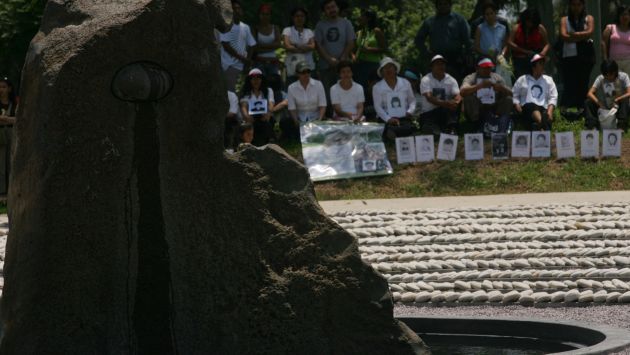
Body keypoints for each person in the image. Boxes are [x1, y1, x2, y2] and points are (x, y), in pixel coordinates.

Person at [415, 0, 471, 83]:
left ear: (450, 5)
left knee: (454, 86)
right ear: (436, 6)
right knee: (436, 85)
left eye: (445, 3)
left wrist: (467, 55)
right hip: (436, 59)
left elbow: (467, 40)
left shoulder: (459, 20)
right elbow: (418, 39)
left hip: (455, 59)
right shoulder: (430, 21)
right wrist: (426, 53)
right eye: (440, 4)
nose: (443, 6)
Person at [315, 0, 356, 114]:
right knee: (327, 95)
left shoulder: (346, 23)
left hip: (344, 66)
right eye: (328, 8)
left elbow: (351, 41)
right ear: (324, 11)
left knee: (345, 92)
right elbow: (318, 44)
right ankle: (328, 119)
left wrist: (343, 57)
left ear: (338, 8)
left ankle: (347, 116)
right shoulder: (320, 25)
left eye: (333, 6)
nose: (331, 10)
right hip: (326, 66)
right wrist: (329, 59)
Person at [557, 0, 595, 113]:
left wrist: (574, 35)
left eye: (579, 5)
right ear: (570, 6)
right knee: (569, 82)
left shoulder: (589, 18)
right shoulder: (564, 20)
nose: (576, 7)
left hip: (586, 56)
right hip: (569, 56)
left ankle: (583, 108)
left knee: (583, 82)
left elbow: (590, 32)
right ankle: (565, 109)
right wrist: (581, 37)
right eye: (573, 4)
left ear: (583, 5)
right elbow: (563, 35)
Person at [460, 57, 512, 137]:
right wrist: (479, 86)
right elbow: (462, 91)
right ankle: (476, 124)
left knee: (508, 99)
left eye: (489, 68)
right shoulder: (471, 77)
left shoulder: (497, 77)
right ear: (477, 68)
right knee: (468, 98)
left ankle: (500, 122)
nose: (488, 70)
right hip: (478, 107)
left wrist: (501, 88)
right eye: (484, 68)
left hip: (494, 107)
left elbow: (511, 93)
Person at [372, 57, 416, 140]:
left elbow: (412, 100)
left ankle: (395, 133)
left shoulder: (405, 83)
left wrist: (410, 111)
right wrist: (388, 119)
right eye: (385, 68)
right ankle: (394, 133)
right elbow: (378, 107)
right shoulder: (377, 87)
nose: (388, 70)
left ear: (395, 69)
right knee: (386, 127)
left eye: (390, 67)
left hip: (403, 116)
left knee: (408, 126)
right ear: (381, 72)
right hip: (386, 118)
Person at [513, 54, 558, 131]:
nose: (543, 66)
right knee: (531, 105)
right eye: (540, 64)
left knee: (543, 113)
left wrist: (550, 111)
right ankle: (543, 124)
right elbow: (515, 94)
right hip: (526, 108)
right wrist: (517, 105)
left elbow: (553, 96)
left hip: (544, 107)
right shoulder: (522, 79)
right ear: (533, 67)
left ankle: (541, 126)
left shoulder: (548, 80)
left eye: (544, 64)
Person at [419, 55, 462, 136]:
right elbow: (429, 98)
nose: (440, 66)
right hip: (429, 112)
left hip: (445, 111)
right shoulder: (426, 80)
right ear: (432, 67)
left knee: (454, 106)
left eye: (442, 64)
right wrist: (447, 103)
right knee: (430, 126)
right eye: (437, 64)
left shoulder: (451, 79)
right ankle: (438, 129)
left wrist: (455, 102)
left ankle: (451, 129)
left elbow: (458, 95)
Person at [220, 0, 257, 92]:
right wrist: (243, 59)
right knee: (231, 92)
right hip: (228, 65)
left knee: (241, 92)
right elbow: (226, 46)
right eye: (234, 8)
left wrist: (247, 61)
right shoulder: (226, 26)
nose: (236, 11)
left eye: (238, 8)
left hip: (242, 66)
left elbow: (252, 45)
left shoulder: (245, 27)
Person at [284, 61, 327, 140]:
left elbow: (323, 105)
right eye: (303, 72)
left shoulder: (318, 84)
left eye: (308, 71)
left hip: (316, 118)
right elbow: (292, 108)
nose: (306, 74)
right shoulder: (291, 88)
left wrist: (319, 120)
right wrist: (296, 121)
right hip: (300, 119)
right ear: (297, 74)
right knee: (285, 123)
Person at [585, 60, 630, 131]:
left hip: (619, 106)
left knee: (625, 100)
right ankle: (592, 126)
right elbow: (590, 93)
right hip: (604, 106)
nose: (609, 77)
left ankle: (621, 127)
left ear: (615, 71)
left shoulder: (624, 76)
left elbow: (629, 92)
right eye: (606, 75)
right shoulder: (600, 78)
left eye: (611, 75)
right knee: (588, 102)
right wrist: (599, 103)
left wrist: (618, 99)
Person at [508, 8, 550, 79]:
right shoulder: (517, 28)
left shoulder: (540, 28)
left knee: (537, 80)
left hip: (535, 60)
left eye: (532, 22)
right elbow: (509, 42)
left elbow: (547, 44)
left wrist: (543, 52)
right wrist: (524, 51)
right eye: (528, 21)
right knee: (522, 82)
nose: (530, 24)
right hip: (520, 61)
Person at [239, 68, 275, 146]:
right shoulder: (246, 92)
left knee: (267, 124)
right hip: (250, 118)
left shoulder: (268, 91)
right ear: (249, 80)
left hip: (265, 117)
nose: (256, 81)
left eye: (258, 78)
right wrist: (247, 116)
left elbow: (271, 104)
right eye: (253, 79)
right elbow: (243, 106)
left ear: (262, 79)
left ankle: (269, 143)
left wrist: (268, 113)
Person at [353, 9, 387, 88]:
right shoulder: (359, 32)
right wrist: (353, 57)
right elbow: (353, 49)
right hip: (359, 64)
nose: (359, 18)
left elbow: (384, 49)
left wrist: (369, 50)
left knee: (372, 88)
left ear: (369, 18)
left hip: (372, 65)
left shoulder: (376, 31)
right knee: (360, 87)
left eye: (362, 16)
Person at [283, 7, 316, 85]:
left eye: (302, 16)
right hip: (293, 67)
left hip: (308, 66)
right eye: (297, 16)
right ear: (293, 18)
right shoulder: (287, 30)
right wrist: (305, 47)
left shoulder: (309, 31)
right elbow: (287, 46)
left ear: (305, 18)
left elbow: (313, 46)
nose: (299, 18)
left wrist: (295, 45)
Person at [252, 4, 282, 77]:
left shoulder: (275, 28)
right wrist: (272, 47)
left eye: (267, 14)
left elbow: (278, 44)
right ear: (259, 15)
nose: (265, 16)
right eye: (263, 14)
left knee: (274, 85)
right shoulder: (255, 29)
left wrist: (262, 47)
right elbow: (254, 47)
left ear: (270, 15)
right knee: (261, 85)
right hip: (259, 62)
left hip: (273, 62)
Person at [0, 77, 16, 195]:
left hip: (11, 133)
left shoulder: (14, 103)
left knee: (11, 163)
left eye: (3, 87)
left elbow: (18, 119)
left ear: (9, 89)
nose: (1, 89)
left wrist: (6, 119)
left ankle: (11, 191)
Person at [603, 6, 630, 76]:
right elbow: (603, 43)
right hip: (614, 62)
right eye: (622, 15)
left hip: (628, 62)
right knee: (615, 85)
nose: (625, 17)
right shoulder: (610, 27)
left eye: (627, 14)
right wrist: (605, 59)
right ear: (618, 16)